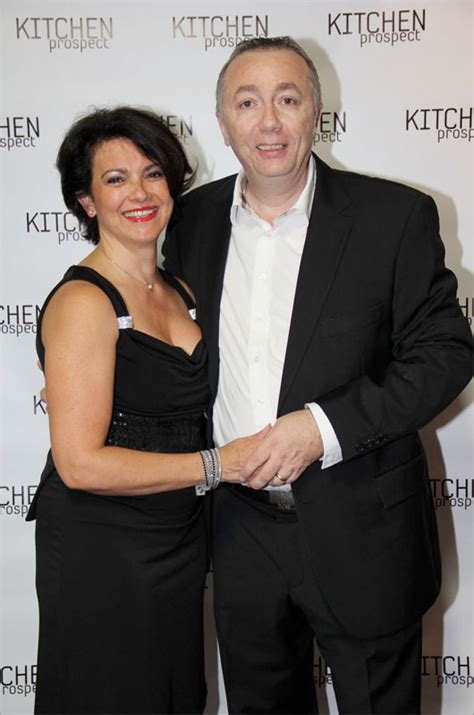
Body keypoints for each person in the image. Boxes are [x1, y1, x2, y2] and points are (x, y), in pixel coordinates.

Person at [163, 37, 473, 714]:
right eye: (247, 103)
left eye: (288, 99)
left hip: (365, 531)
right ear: (222, 122)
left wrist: (321, 427)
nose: (269, 122)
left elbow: (445, 354)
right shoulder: (189, 222)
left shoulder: (394, 217)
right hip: (239, 534)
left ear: (317, 111)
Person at [27, 106, 265, 715]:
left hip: (178, 539)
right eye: (116, 179)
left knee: (173, 694)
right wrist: (218, 465)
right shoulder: (84, 301)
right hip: (101, 547)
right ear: (86, 201)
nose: (139, 192)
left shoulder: (181, 289)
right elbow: (79, 464)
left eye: (152, 173)